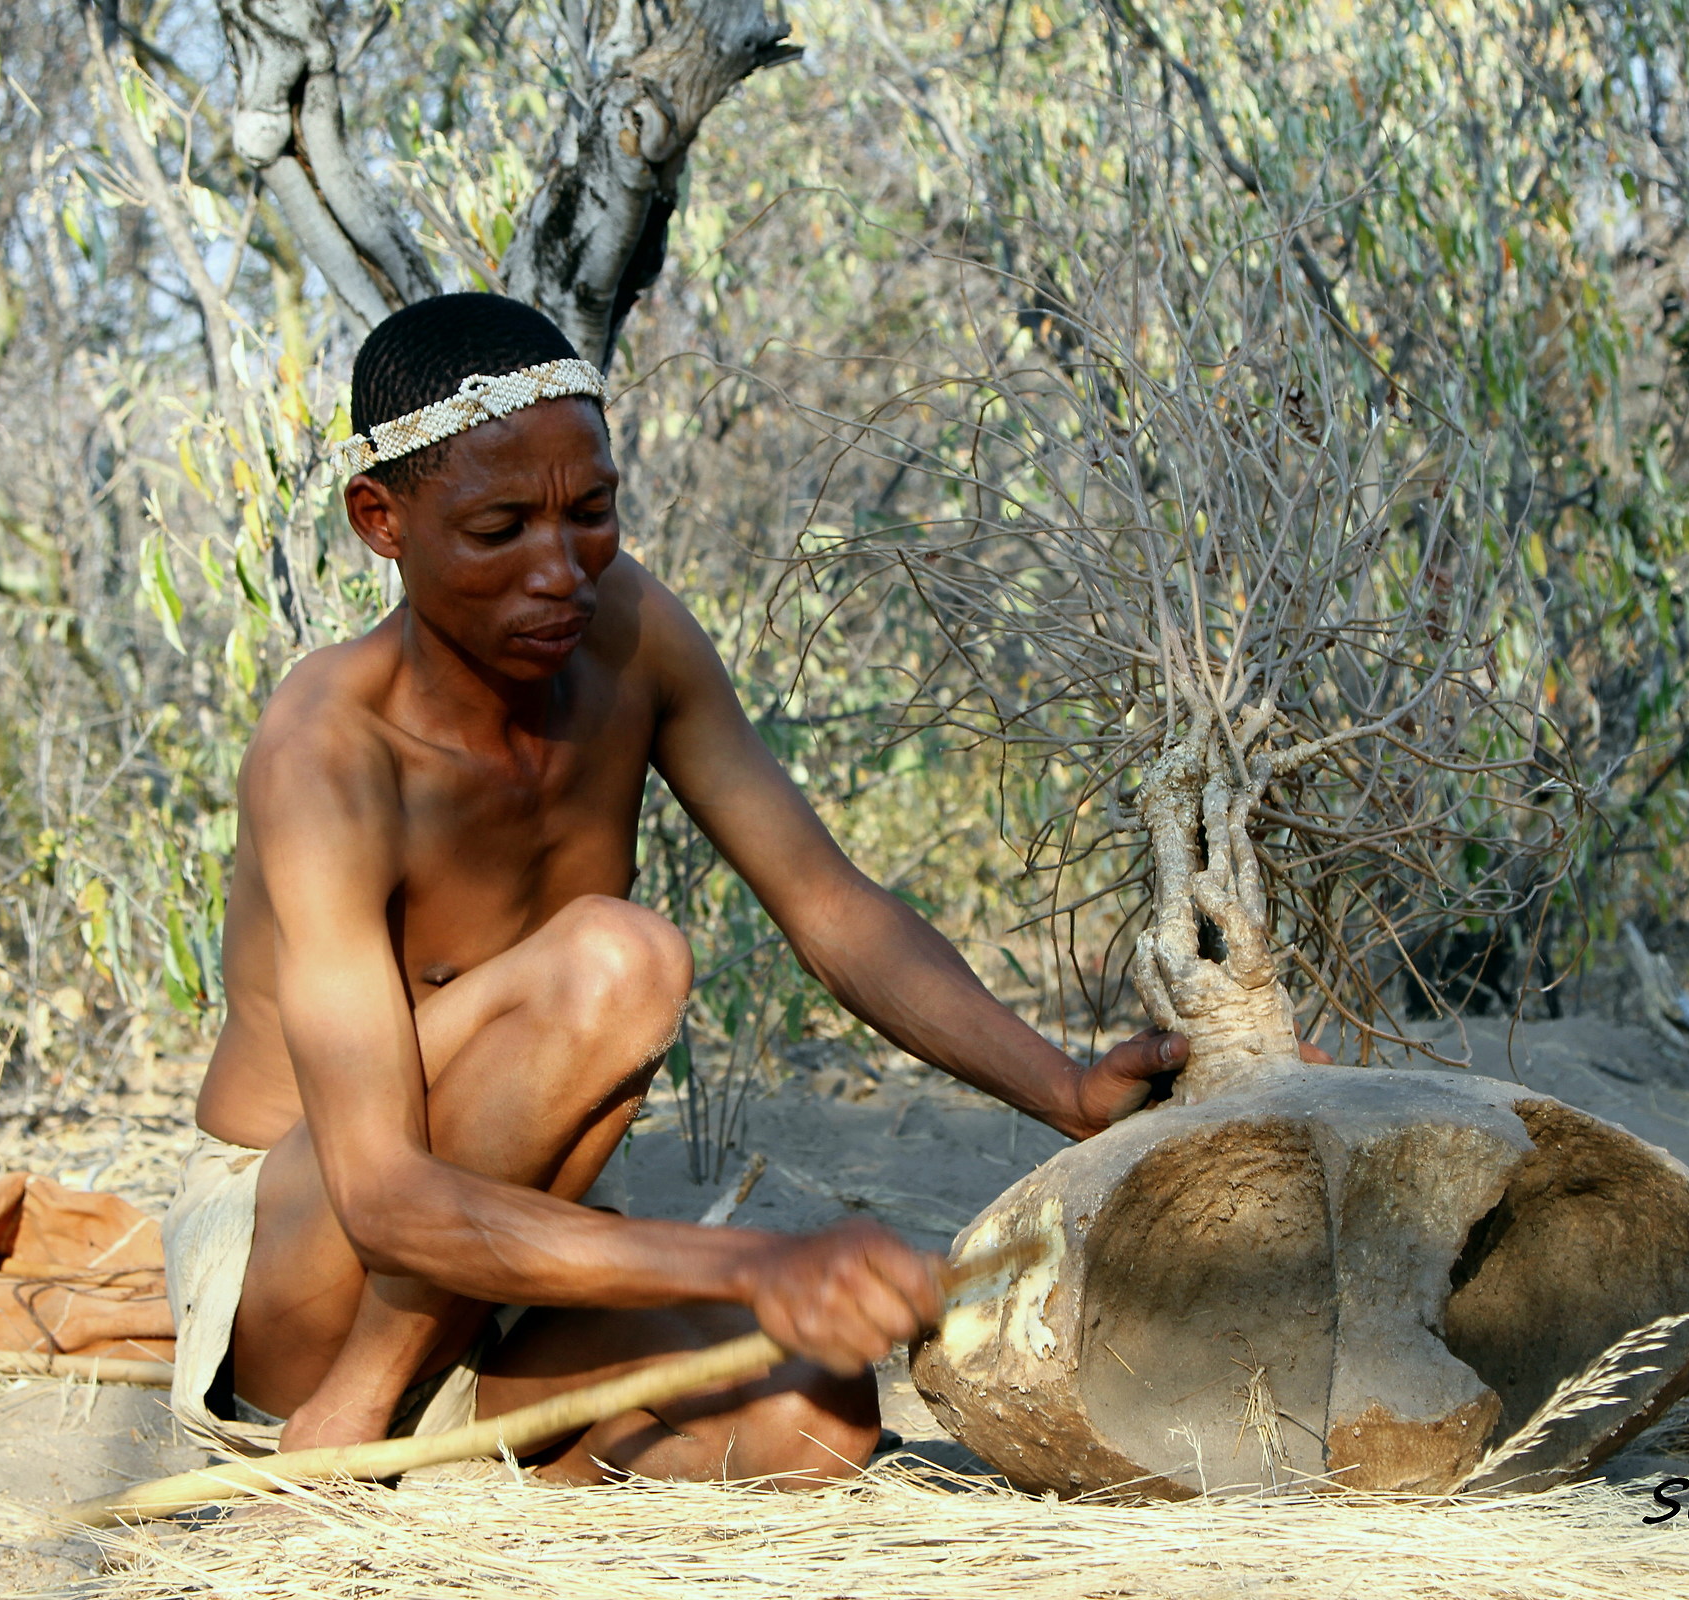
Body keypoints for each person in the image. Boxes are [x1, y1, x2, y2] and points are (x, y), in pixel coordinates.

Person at [161, 292, 1185, 1487]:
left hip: (497, 1272)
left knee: (816, 1420)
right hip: (305, 1266)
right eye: (500, 529)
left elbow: (829, 907)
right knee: (619, 961)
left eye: (590, 513)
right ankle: (351, 1415)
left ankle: (472, 1438)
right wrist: (755, 1265)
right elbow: (383, 1198)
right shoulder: (327, 747)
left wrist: (1066, 1091)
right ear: (381, 521)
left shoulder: (630, 634)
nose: (561, 572)